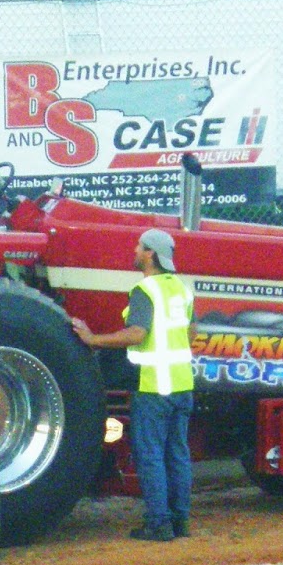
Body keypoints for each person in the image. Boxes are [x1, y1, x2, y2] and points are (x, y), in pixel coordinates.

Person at [70, 228, 196, 542]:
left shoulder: (145, 289)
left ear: (150, 254)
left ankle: (158, 524)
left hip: (154, 386)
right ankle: (180, 521)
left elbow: (138, 333)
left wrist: (92, 339)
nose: (135, 250)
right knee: (178, 454)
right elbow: (191, 332)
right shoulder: (181, 289)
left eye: (139, 246)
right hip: (182, 384)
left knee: (151, 456)